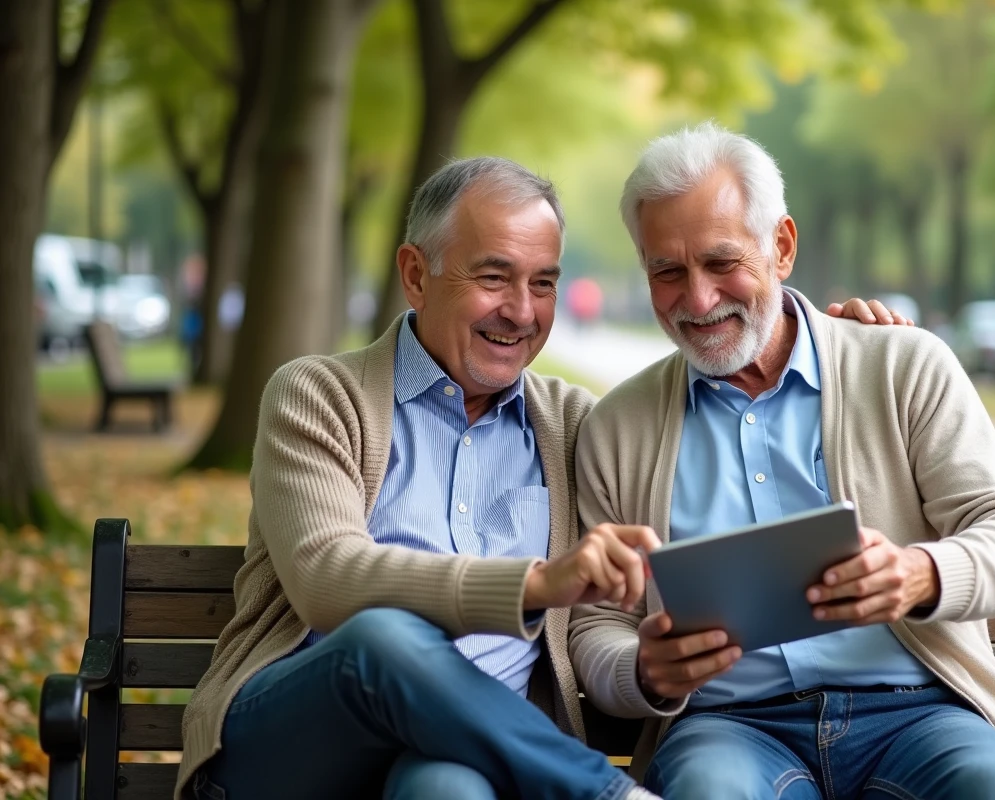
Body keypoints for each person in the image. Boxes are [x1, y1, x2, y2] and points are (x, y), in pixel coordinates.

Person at [175, 155, 900, 800]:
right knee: (384, 639)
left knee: (448, 789)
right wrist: (534, 586)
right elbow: (326, 578)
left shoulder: (575, 425)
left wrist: (834, 342)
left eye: (543, 282)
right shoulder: (318, 397)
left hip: (475, 747)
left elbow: (712, 401)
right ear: (415, 274)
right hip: (298, 741)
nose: (521, 312)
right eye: (494, 277)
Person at [569, 123, 995, 800]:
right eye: (667, 271)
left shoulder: (902, 365)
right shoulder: (616, 428)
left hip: (921, 715)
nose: (699, 298)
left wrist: (922, 573)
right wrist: (643, 672)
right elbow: (596, 626)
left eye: (721, 261)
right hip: (728, 727)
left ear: (783, 247)